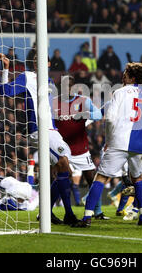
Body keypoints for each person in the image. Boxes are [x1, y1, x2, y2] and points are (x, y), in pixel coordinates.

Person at [73, 62, 142, 227]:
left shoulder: (119, 92)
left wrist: (109, 140)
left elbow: (110, 118)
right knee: (138, 178)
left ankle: (87, 218)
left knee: (102, 177)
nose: (122, 77)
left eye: (125, 74)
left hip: (119, 142)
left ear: (132, 78)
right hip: (141, 145)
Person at [0, 53, 79, 225]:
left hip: (52, 130)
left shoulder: (50, 83)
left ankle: (46, 213)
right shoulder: (28, 77)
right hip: (38, 130)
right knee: (63, 163)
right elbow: (5, 91)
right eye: (34, 59)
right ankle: (69, 214)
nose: (37, 61)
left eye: (41, 59)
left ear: (48, 63)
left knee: (65, 171)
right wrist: (6, 69)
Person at [53, 75, 106, 220]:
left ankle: (98, 211)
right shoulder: (53, 103)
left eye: (69, 86)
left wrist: (84, 114)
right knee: (58, 180)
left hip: (80, 148)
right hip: (61, 149)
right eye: (63, 86)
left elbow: (97, 115)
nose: (67, 89)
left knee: (91, 178)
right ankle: (46, 212)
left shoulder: (83, 101)